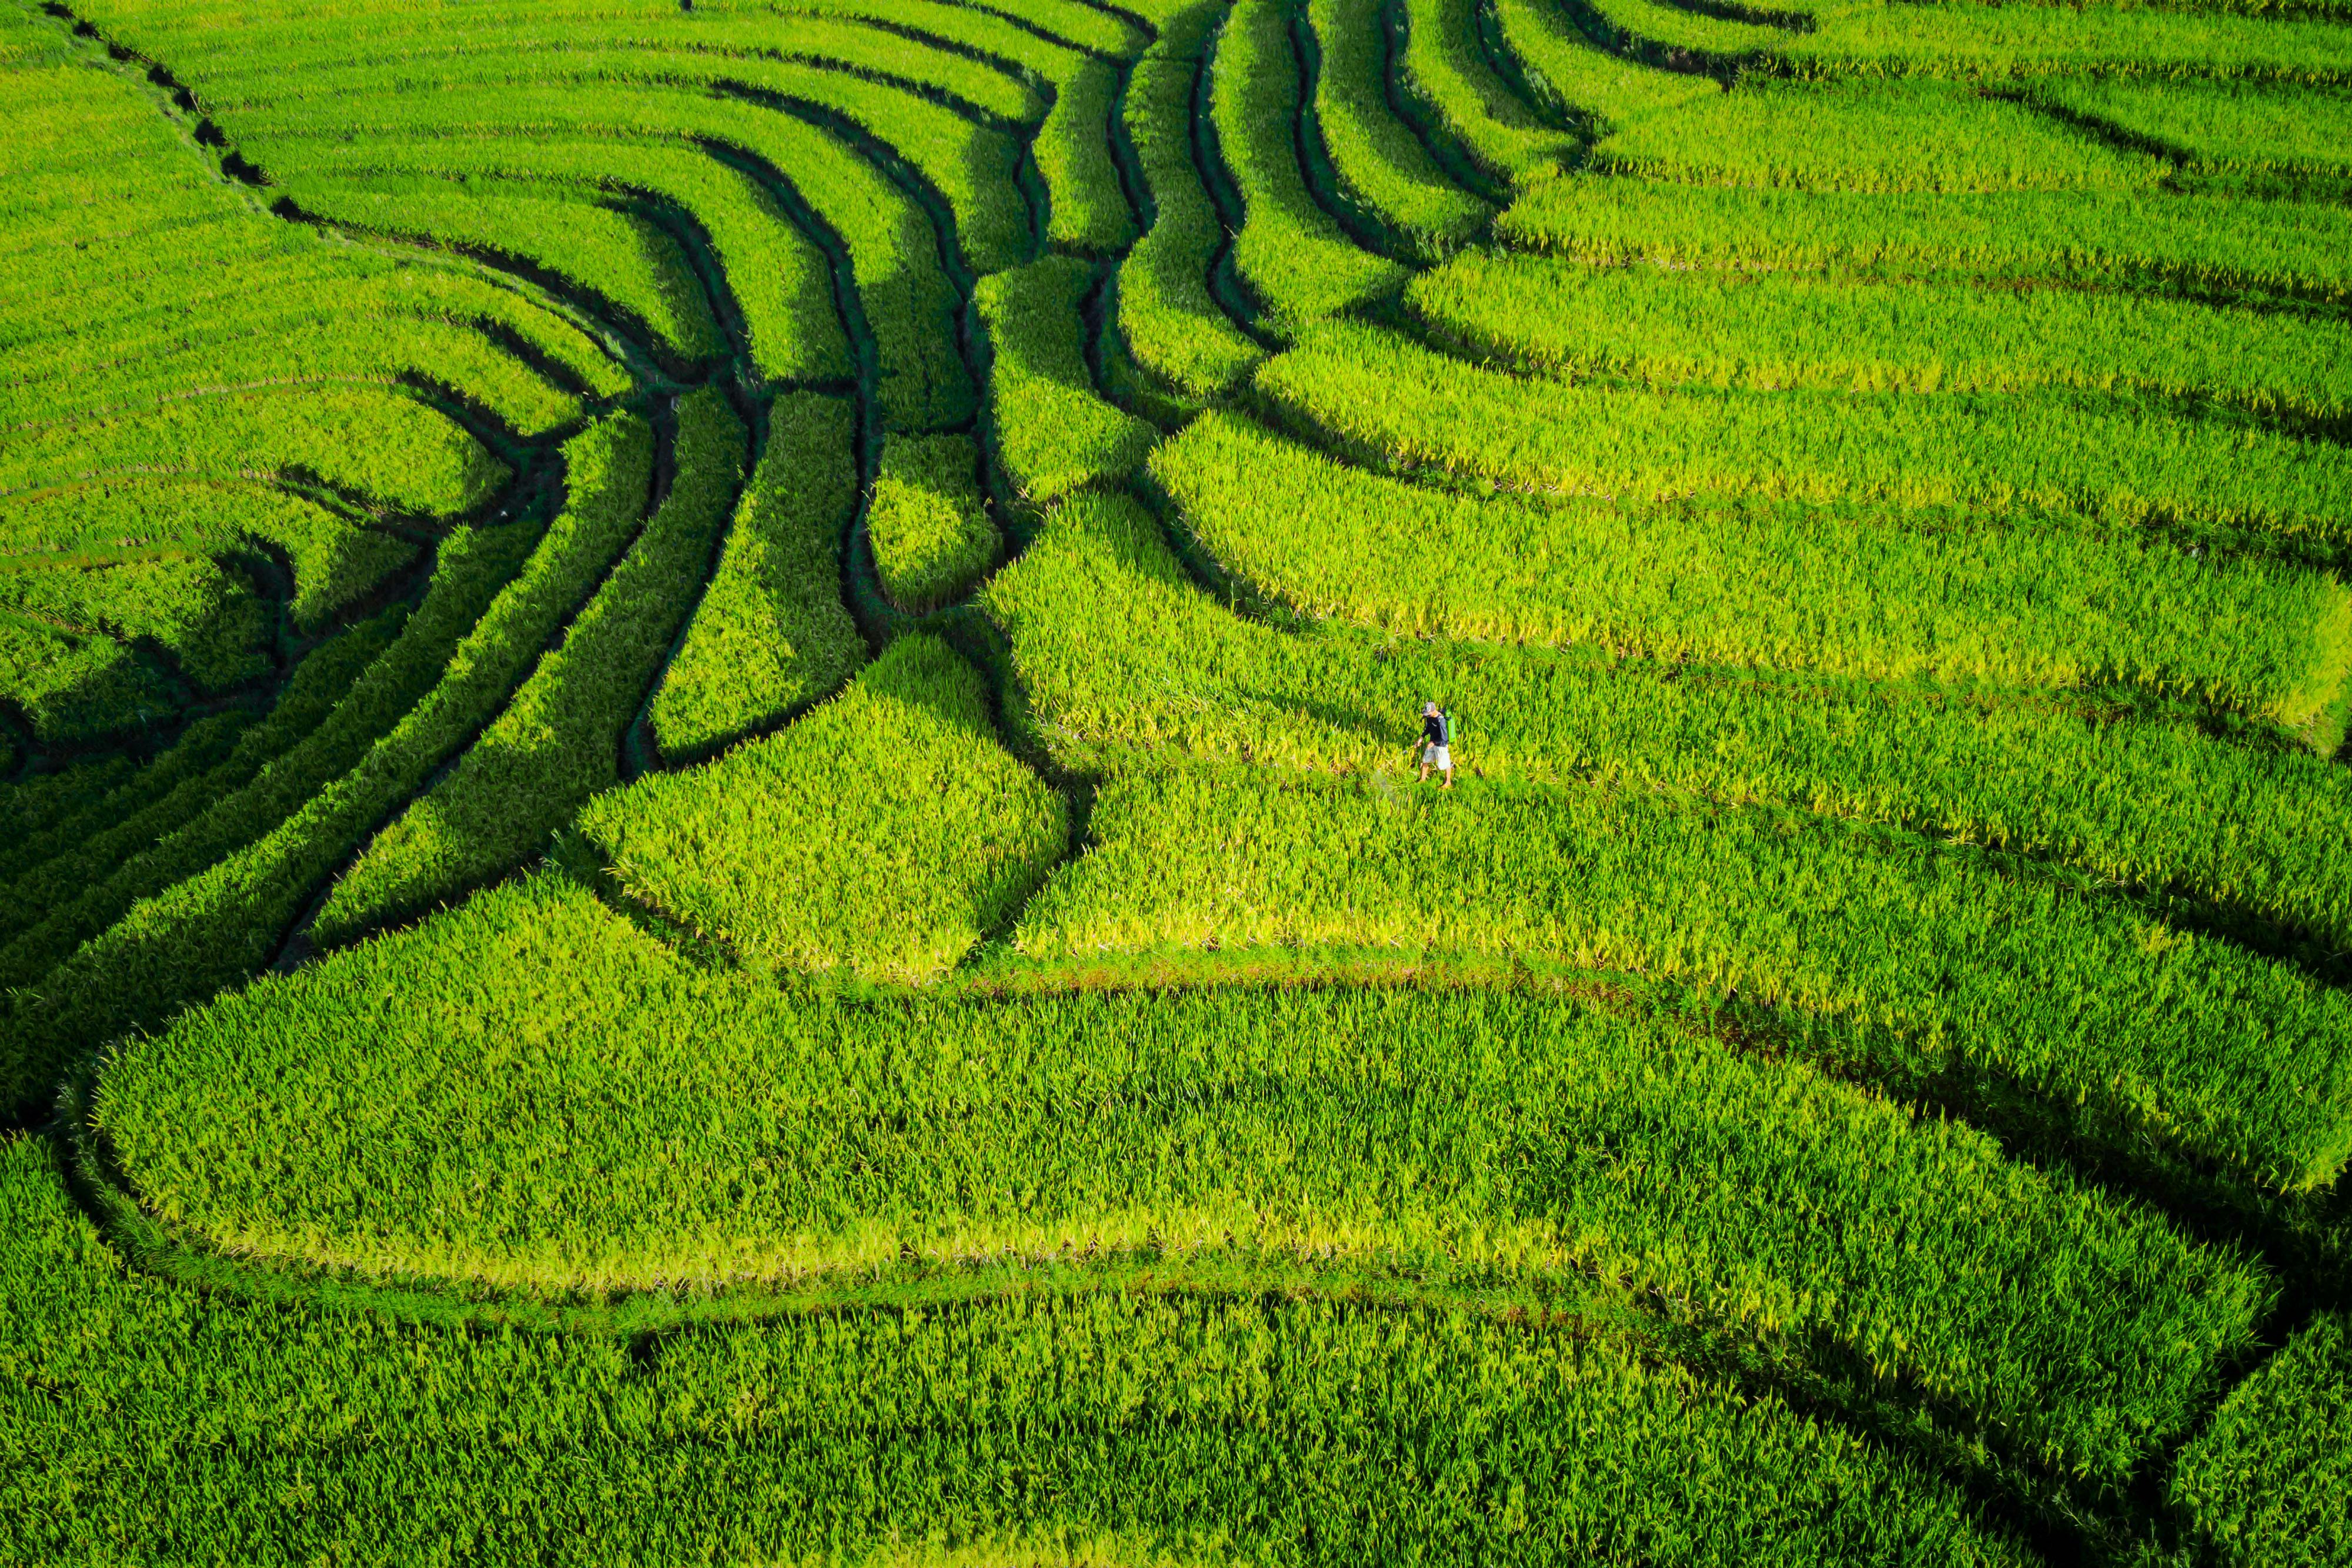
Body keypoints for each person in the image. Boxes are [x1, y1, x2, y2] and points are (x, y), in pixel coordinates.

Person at [1418, 700, 1453, 787]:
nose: (1427, 716)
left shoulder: (1441, 721)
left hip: (1441, 745)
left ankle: (1448, 782)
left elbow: (1444, 738)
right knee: (1425, 760)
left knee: (1444, 764)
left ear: (1433, 711)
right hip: (1432, 743)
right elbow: (1428, 728)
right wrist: (1422, 737)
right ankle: (1422, 779)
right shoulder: (1430, 718)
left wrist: (1433, 742)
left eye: (1428, 714)